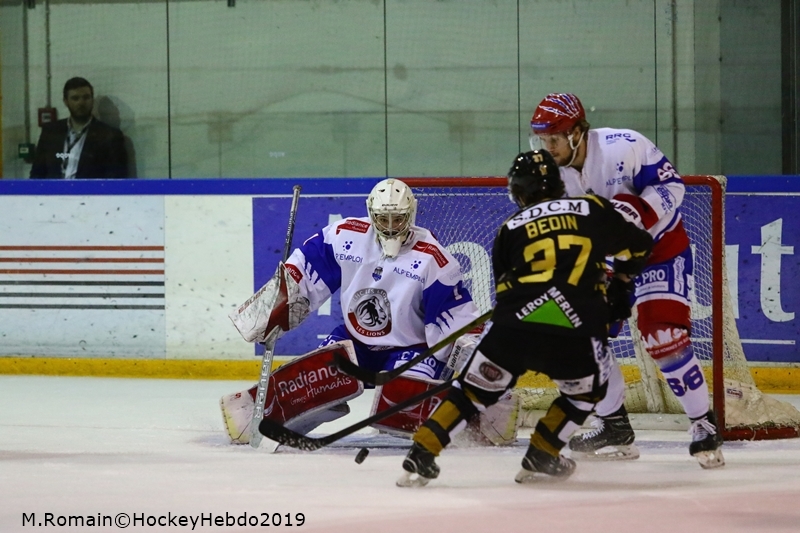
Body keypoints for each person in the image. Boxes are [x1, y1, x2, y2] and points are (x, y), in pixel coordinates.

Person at [398, 150, 654, 486]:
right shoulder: (592, 207)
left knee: (471, 391)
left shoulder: (509, 228)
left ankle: (422, 451)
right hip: (573, 331)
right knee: (584, 394)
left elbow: (504, 288)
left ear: (518, 191)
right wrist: (620, 284)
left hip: (511, 329)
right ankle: (543, 453)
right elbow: (640, 246)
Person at [221, 179, 515, 444]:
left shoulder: (434, 258)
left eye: (397, 218)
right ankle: (258, 412)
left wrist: (478, 367)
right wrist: (280, 299)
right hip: (354, 342)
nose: (389, 225)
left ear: (410, 214)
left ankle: (476, 416)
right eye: (382, 218)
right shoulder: (345, 235)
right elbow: (305, 270)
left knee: (399, 402)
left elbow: (455, 322)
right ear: (370, 214)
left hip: (409, 349)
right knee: (320, 381)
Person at [529, 92, 725, 469]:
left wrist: (631, 213)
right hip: (604, 262)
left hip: (658, 250)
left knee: (663, 336)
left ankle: (703, 424)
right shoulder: (550, 175)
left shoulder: (625, 146)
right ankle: (614, 426)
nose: (547, 147)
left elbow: (673, 187)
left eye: (554, 138)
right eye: (542, 138)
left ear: (577, 132)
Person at [29, 77, 128, 179]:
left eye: (86, 97)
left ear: (92, 100)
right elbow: (37, 173)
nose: (81, 103)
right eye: (75, 98)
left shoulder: (110, 136)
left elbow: (116, 178)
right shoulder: (50, 132)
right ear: (65, 101)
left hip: (88, 193)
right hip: (54, 193)